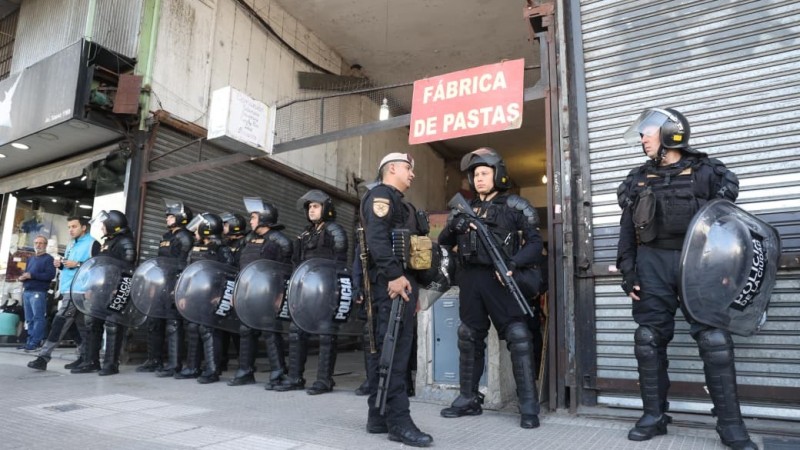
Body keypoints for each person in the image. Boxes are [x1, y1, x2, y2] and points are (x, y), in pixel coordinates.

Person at [616, 108, 756, 450]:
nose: (642, 138)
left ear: (670, 134)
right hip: (652, 263)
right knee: (648, 339)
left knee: (715, 342)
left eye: (647, 132)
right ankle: (654, 416)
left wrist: (728, 272)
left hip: (701, 264)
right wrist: (628, 272)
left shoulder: (709, 172)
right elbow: (627, 232)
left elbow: (730, 225)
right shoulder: (636, 179)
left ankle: (730, 425)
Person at [438, 147, 543, 429]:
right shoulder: (464, 209)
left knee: (519, 337)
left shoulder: (515, 207)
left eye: (485, 173)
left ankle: (528, 404)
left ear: (498, 175)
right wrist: (454, 226)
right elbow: (444, 242)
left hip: (501, 278)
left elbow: (535, 243)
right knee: (468, 335)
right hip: (471, 279)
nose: (479, 178)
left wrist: (514, 265)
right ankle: (468, 398)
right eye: (475, 175)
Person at [361, 152, 432, 447]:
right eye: (408, 168)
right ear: (391, 168)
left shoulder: (403, 204)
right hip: (392, 286)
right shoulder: (380, 195)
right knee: (396, 355)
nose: (412, 174)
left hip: (402, 285)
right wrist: (393, 275)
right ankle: (398, 422)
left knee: (388, 353)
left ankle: (378, 416)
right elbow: (376, 239)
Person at [275, 190, 348, 395]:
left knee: (326, 334)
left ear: (326, 208)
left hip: (326, 291)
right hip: (304, 291)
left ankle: (324, 380)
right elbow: (296, 264)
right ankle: (295, 377)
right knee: (296, 332)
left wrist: (339, 292)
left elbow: (341, 265)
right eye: (309, 207)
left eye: (315, 206)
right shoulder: (305, 234)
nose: (311, 210)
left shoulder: (336, 231)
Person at [227, 198, 293, 389]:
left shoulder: (281, 241)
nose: (251, 220)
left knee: (270, 331)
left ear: (264, 218)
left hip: (269, 294)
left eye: (254, 216)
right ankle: (246, 371)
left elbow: (285, 272)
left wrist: (280, 296)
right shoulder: (248, 239)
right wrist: (235, 291)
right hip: (247, 293)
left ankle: (278, 373)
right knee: (246, 330)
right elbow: (241, 268)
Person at [28, 217, 99, 371]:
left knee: (59, 322)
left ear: (84, 227)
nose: (70, 230)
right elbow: (69, 266)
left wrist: (78, 265)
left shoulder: (93, 243)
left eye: (74, 226)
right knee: (79, 326)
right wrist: (60, 265)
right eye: (68, 227)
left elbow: (98, 267)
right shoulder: (71, 244)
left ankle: (43, 357)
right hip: (68, 289)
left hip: (80, 290)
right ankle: (85, 356)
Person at [75, 210, 137, 376]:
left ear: (112, 225)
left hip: (116, 289)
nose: (101, 227)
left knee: (113, 325)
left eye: (104, 224)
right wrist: (90, 287)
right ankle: (91, 361)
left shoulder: (125, 242)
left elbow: (129, 268)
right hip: (100, 289)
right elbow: (98, 266)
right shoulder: (107, 242)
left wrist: (120, 288)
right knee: (92, 322)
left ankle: (111, 364)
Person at [140, 200, 194, 375]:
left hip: (174, 284)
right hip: (161, 284)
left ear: (181, 217)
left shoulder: (185, 237)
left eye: (171, 215)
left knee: (173, 324)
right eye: (168, 215)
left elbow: (185, 264)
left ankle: (174, 364)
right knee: (154, 321)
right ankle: (154, 360)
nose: (168, 218)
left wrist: (178, 286)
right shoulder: (166, 237)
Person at [186, 212, 234, 384]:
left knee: (209, 330)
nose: (194, 230)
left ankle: (213, 369)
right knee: (193, 328)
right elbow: (188, 274)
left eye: (198, 226)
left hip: (213, 297)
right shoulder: (195, 248)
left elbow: (229, 274)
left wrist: (221, 296)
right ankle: (192, 367)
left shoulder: (222, 249)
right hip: (195, 297)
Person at [18, 235, 56, 351]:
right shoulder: (31, 258)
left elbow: (50, 276)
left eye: (40, 243)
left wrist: (32, 275)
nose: (38, 245)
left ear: (45, 245)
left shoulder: (49, 259)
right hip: (27, 290)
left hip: (38, 292)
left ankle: (36, 342)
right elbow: (27, 273)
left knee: (38, 318)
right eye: (36, 243)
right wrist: (22, 277)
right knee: (29, 318)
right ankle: (30, 341)